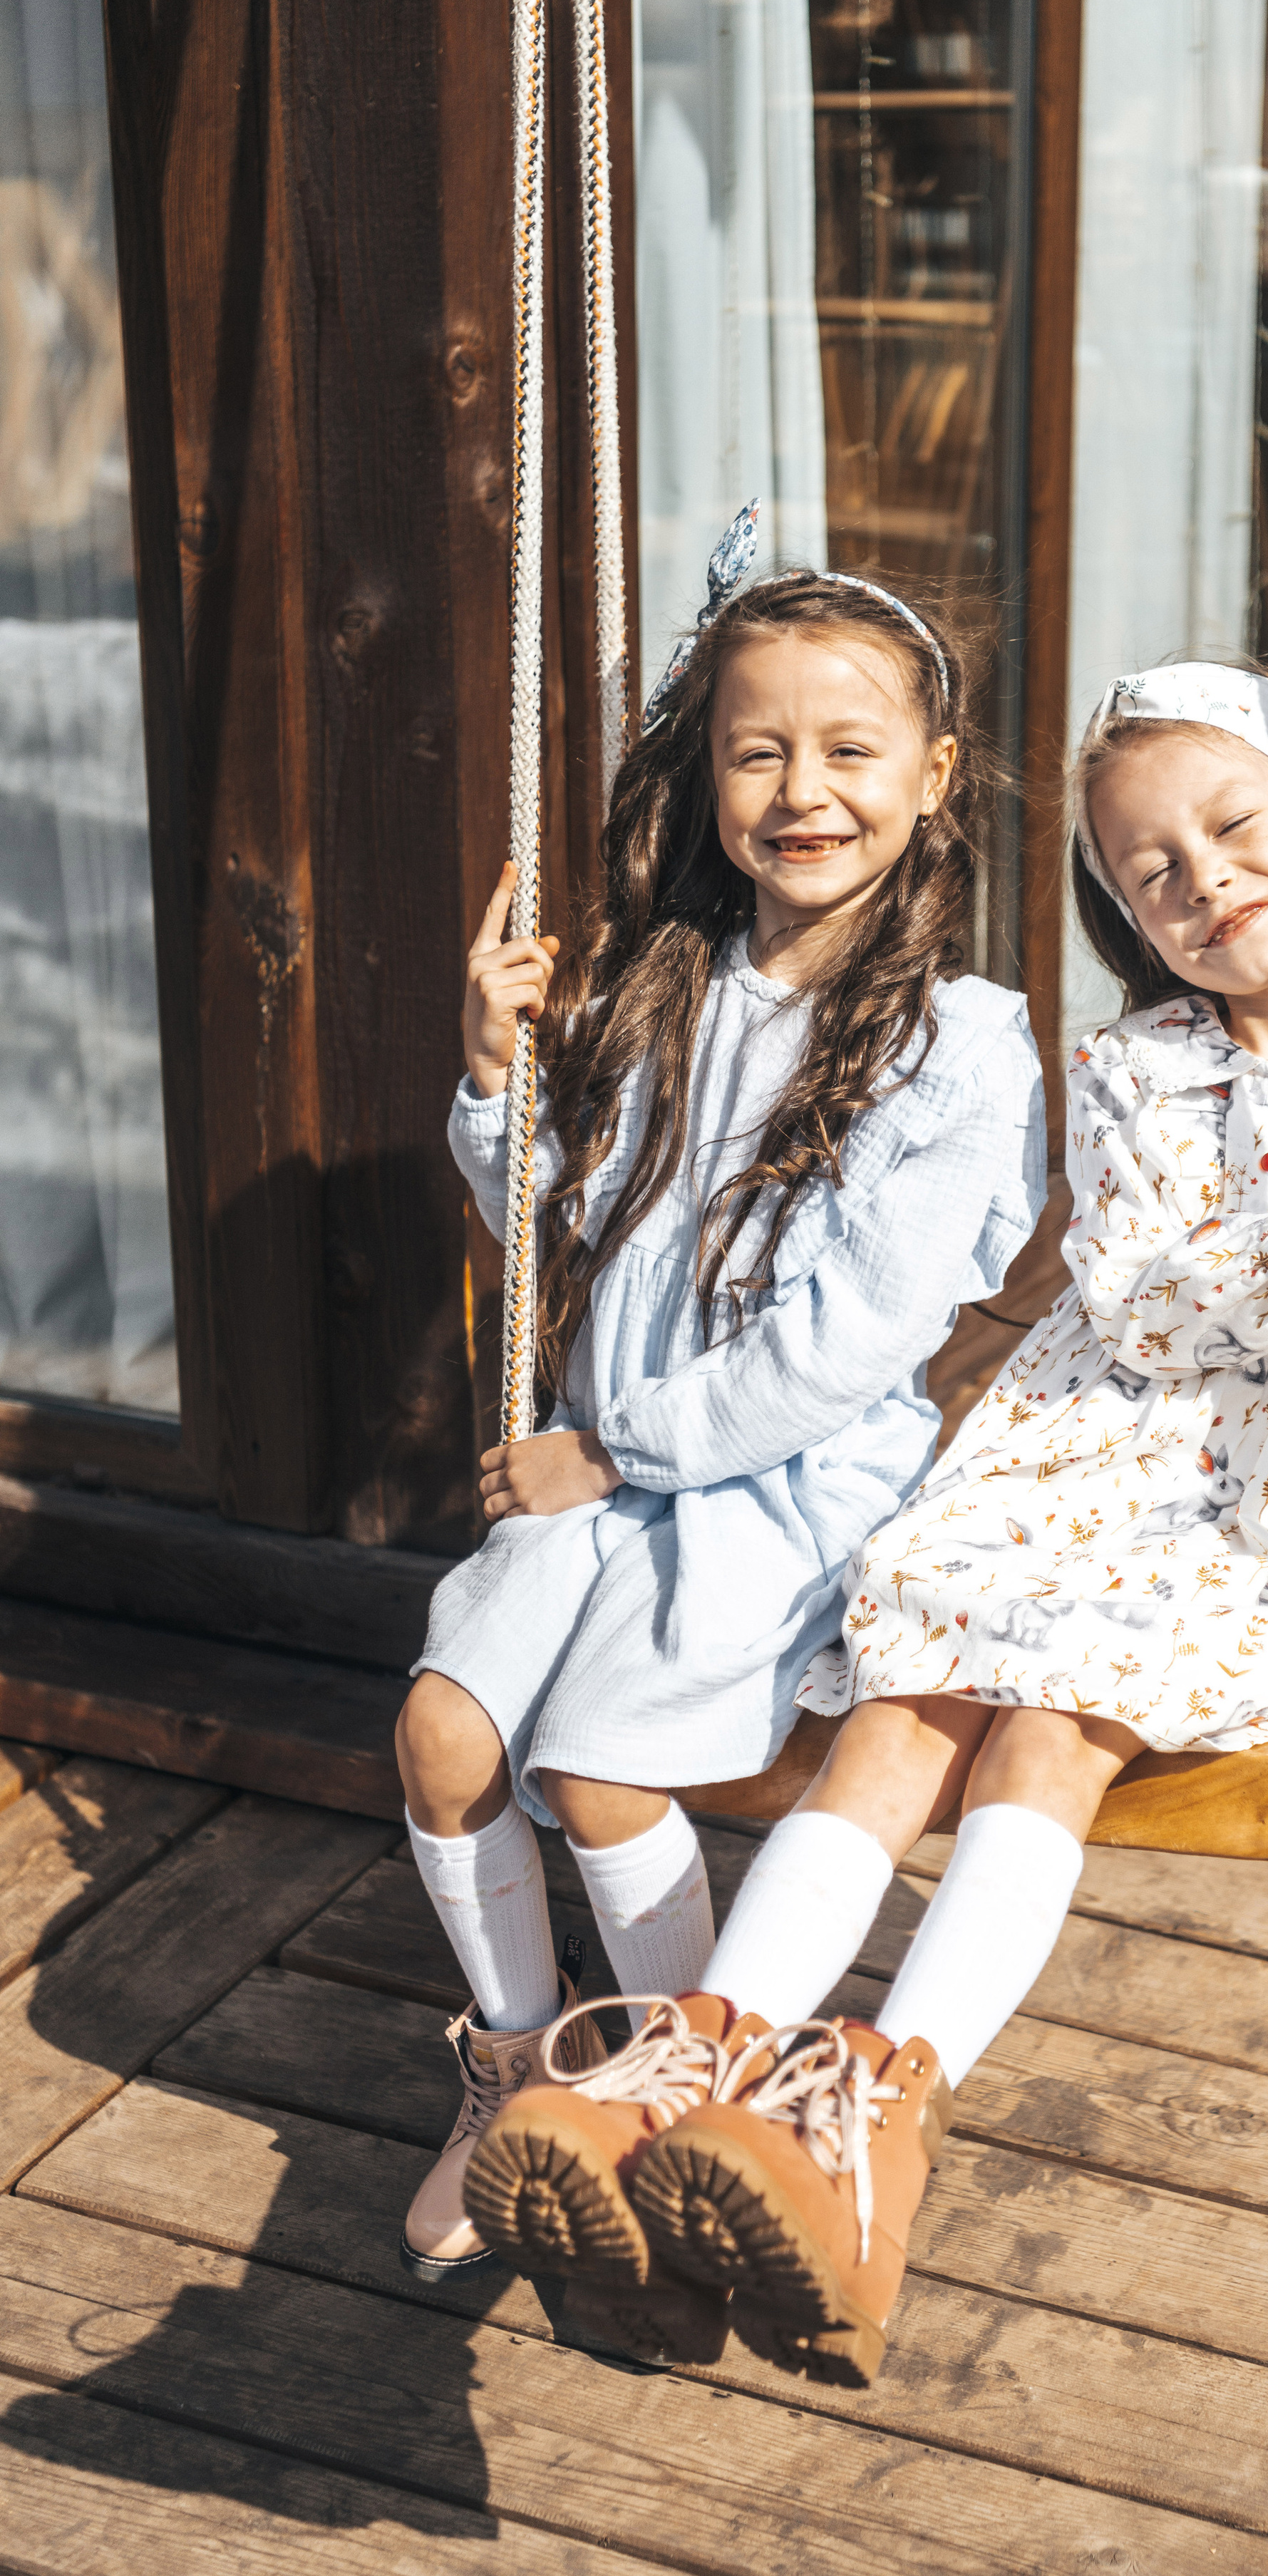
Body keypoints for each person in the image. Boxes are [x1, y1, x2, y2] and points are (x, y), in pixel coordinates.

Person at [475, 659, 1268, 2385]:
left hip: (1254, 1514)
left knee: (1047, 1731)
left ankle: (878, 2111)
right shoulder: (1128, 1068)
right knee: (904, 1713)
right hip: (1062, 1463)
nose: (1201, 882)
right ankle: (703, 2074)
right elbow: (1149, 1302)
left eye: (1230, 829)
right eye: (1146, 871)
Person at [393, 520, 1046, 2343]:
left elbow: (851, 1345)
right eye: (757, 750)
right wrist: (489, 1070)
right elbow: (554, 1217)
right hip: (602, 1468)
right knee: (445, 1734)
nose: (801, 790)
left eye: (848, 751)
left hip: (773, 1483)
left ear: (930, 780)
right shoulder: (664, 983)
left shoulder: (960, 1043)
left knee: (598, 1769)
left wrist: (616, 1454)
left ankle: (690, 2093)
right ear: (708, 777)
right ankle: (523, 2065)